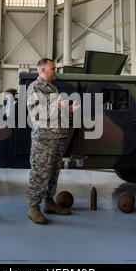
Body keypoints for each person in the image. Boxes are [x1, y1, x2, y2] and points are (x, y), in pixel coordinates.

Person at [26, 58, 79, 224]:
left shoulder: (52, 88)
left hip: (56, 138)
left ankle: (49, 202)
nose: (55, 71)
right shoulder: (35, 87)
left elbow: (55, 113)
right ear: (43, 70)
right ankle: (33, 208)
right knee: (40, 173)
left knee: (53, 172)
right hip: (43, 139)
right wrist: (59, 106)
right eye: (53, 68)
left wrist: (68, 109)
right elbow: (37, 113)